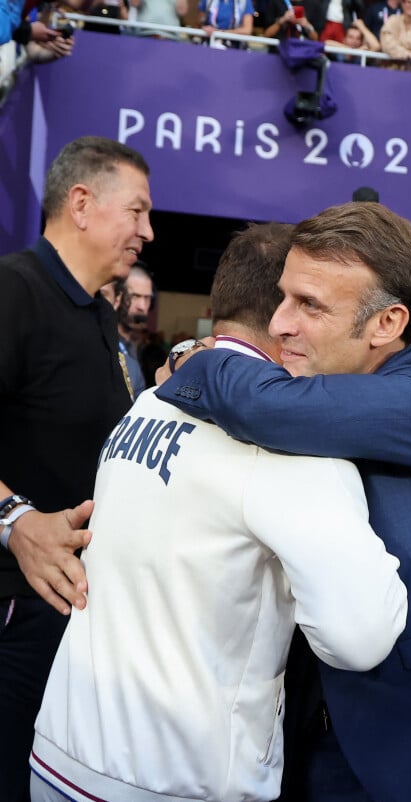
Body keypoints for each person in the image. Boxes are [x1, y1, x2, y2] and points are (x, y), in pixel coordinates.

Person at [156, 201, 411, 802]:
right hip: (293, 734)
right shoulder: (320, 382)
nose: (279, 322)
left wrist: (198, 356)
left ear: (386, 324)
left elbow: (265, 409)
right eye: (283, 296)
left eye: (309, 305)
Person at [29, 222, 407, 802]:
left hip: (63, 747)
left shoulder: (156, 396)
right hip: (179, 775)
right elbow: (359, 637)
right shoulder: (293, 449)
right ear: (285, 311)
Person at [0, 136, 152, 802]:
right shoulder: (13, 290)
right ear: (82, 204)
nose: (149, 232)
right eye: (138, 211)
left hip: (70, 618)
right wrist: (13, 518)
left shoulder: (100, 318)